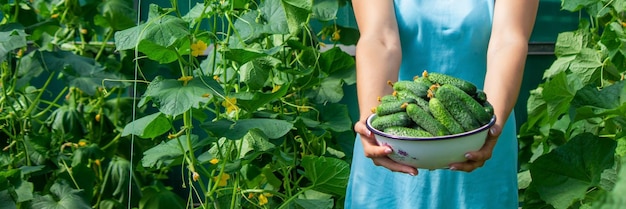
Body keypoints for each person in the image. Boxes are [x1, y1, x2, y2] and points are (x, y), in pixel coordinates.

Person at [345, 0, 539, 208]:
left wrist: (487, 128)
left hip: (481, 139)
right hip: (396, 142)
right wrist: (374, 127)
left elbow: (507, 40)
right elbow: (379, 39)